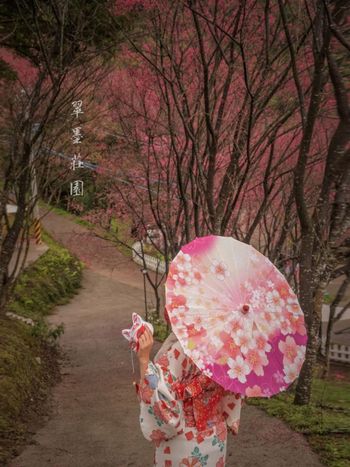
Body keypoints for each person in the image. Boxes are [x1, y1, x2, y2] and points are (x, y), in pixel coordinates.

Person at [136, 322, 243, 466]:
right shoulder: (228, 345)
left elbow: (161, 401)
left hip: (184, 440)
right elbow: (235, 392)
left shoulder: (182, 347)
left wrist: (144, 360)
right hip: (216, 436)